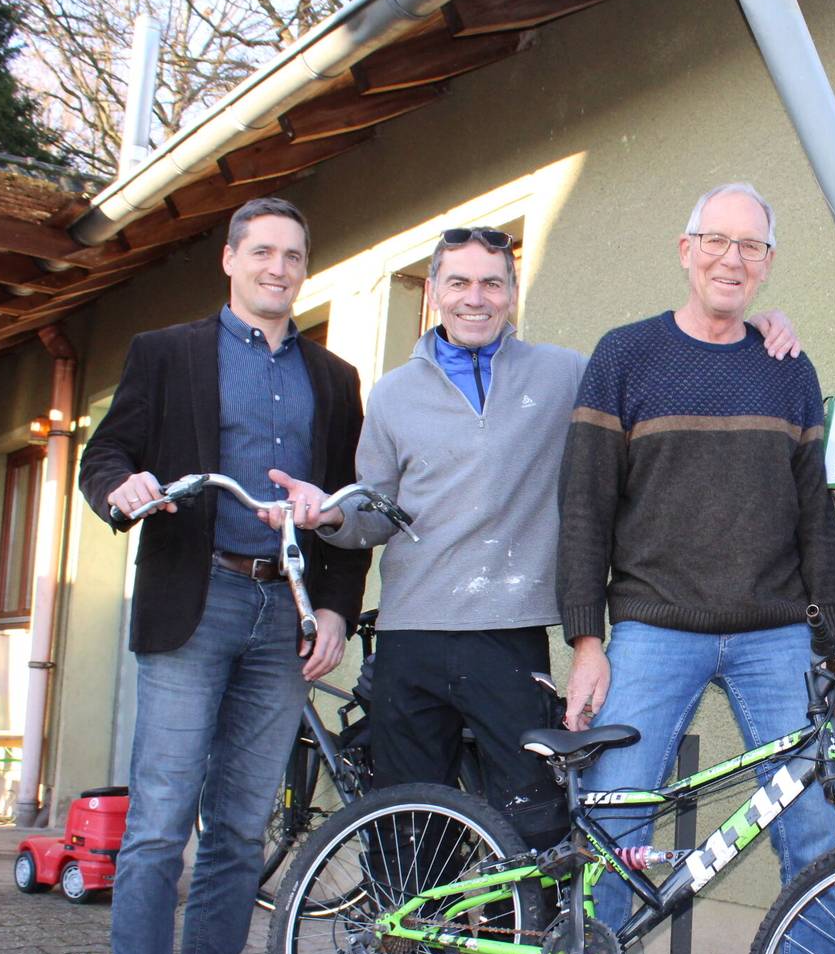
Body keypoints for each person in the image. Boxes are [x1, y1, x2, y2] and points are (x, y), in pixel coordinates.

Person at [267, 229, 806, 852]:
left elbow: (662, 366)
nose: (477, 298)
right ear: (436, 291)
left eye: (492, 283)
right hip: (411, 635)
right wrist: (328, 517)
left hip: (510, 633)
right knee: (407, 829)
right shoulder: (391, 394)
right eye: (460, 283)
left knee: (530, 826)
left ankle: (503, 950)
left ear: (513, 294)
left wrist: (756, 327)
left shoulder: (566, 373)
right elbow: (375, 515)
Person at [510, 181, 835, 954]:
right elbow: (583, 506)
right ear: (684, 246)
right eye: (717, 240)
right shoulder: (626, 356)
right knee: (613, 823)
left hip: (776, 634)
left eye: (752, 245)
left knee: (813, 832)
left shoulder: (789, 366)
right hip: (653, 628)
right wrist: (587, 638)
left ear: (769, 263)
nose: (732, 258)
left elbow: (817, 518)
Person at [78, 197, 370, 954]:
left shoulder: (335, 376)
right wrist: (122, 491)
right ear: (231, 260)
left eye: (294, 255)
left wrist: (333, 611)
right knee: (162, 819)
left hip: (280, 615)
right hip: (192, 599)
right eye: (264, 253)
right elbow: (106, 456)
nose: (279, 268)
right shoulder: (166, 353)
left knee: (243, 824)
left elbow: (347, 507)